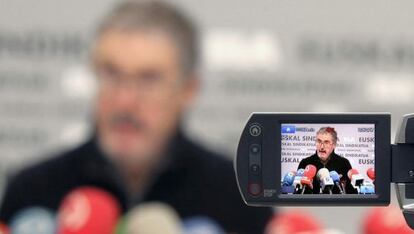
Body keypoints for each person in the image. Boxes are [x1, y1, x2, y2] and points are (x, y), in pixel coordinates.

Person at [0, 1, 272, 233]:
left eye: (148, 79)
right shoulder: (31, 190)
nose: (125, 101)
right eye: (111, 74)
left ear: (188, 89)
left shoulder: (237, 196)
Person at [297, 127, 357, 194]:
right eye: (319, 141)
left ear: (334, 145)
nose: (322, 147)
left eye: (326, 142)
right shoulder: (305, 163)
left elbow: (351, 192)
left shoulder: (344, 163)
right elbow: (297, 192)